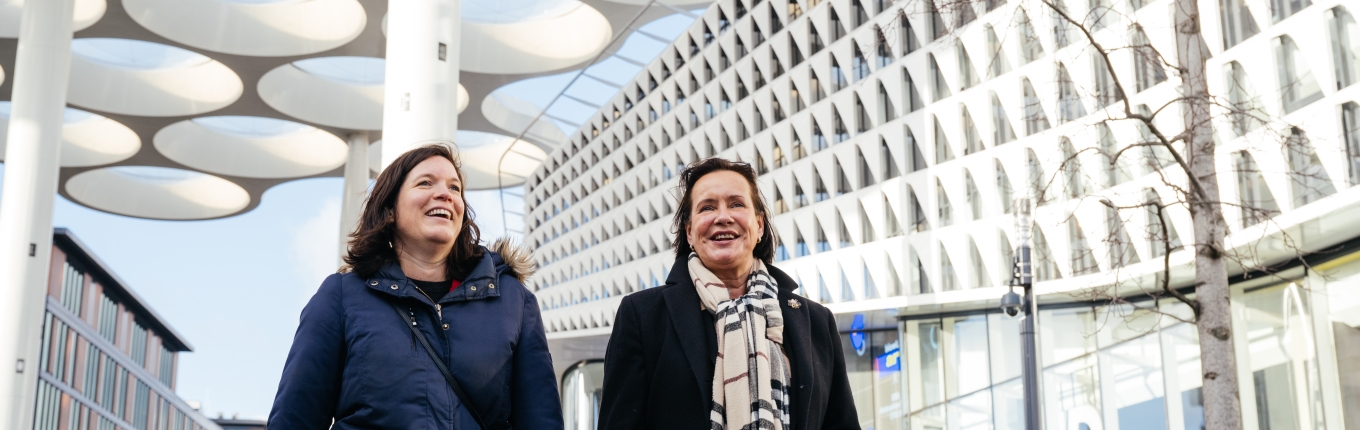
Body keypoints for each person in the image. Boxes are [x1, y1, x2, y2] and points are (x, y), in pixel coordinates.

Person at [268, 143, 562, 430]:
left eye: (454, 188)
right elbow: (296, 418)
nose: (444, 195)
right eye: (425, 183)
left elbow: (541, 418)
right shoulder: (342, 296)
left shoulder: (514, 301)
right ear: (390, 209)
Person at [598, 157, 860, 430]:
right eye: (707, 207)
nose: (723, 217)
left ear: (759, 225)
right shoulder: (643, 316)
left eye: (736, 204)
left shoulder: (816, 322)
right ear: (689, 232)